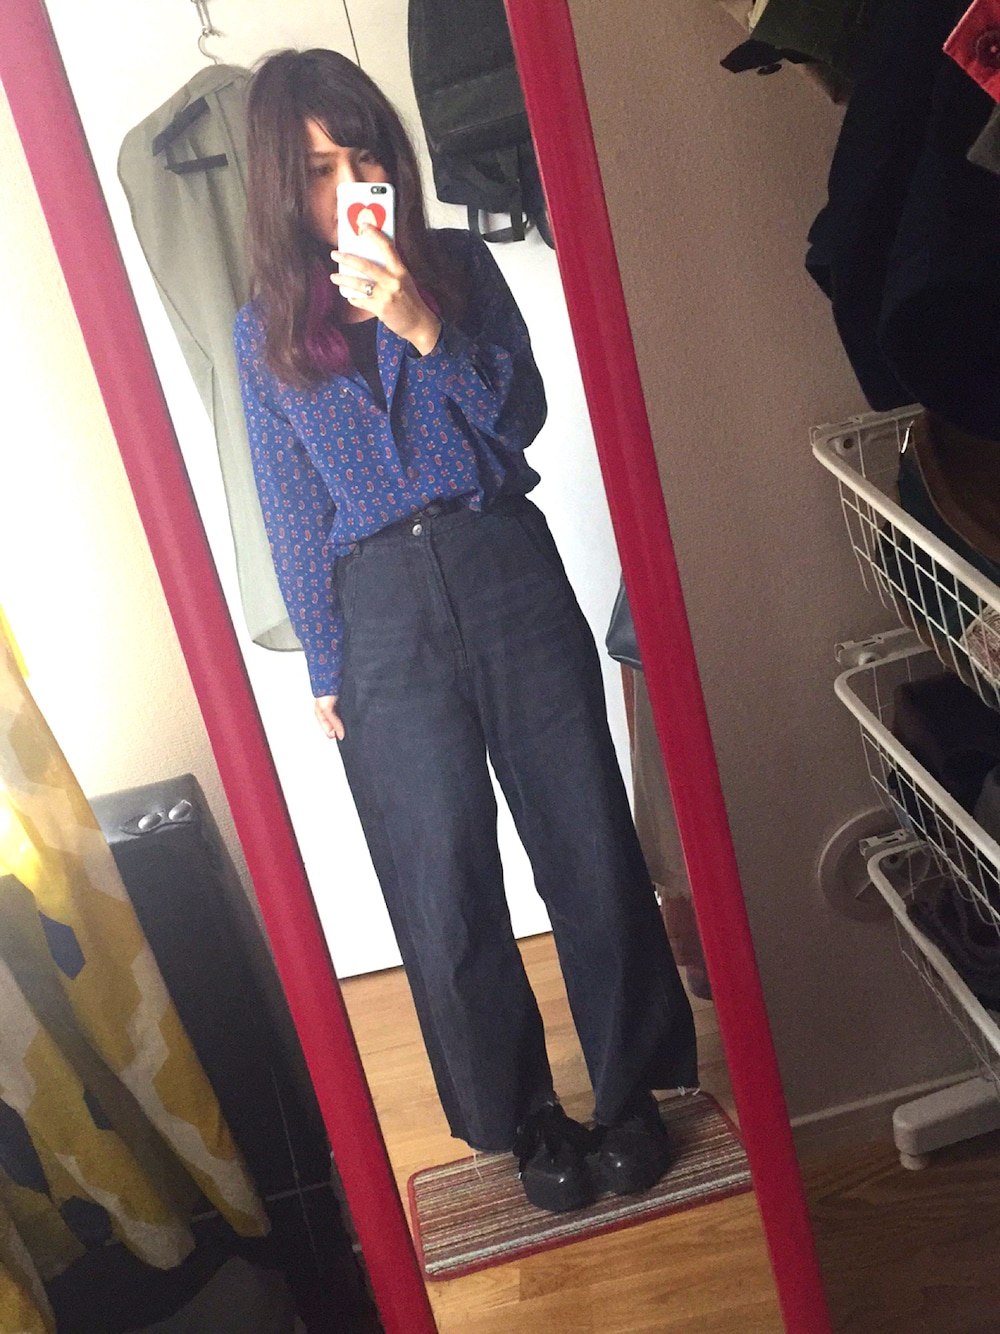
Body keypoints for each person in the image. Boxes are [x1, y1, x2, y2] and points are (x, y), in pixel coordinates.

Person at [234, 48, 697, 1214]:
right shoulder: (264, 332)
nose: (348, 184)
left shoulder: (458, 267)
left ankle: (632, 1090)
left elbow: (516, 420)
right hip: (378, 609)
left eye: (362, 155)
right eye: (317, 168)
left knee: (584, 834)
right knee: (439, 877)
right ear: (280, 185)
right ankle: (521, 1114)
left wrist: (423, 324)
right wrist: (324, 662)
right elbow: (291, 509)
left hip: (501, 564)